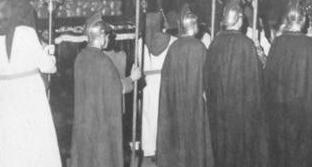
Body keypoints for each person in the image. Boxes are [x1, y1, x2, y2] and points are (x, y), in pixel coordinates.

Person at [0, 0, 61, 167]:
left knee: (12, 143)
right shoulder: (26, 32)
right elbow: (47, 66)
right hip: (28, 92)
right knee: (34, 142)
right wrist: (49, 54)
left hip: (6, 93)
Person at [264, 0, 312, 167]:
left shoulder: (277, 44)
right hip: (304, 110)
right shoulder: (309, 46)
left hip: (281, 110)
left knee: (284, 153)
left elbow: (269, 79)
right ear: (303, 21)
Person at [70, 16, 141, 167]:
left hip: (85, 119)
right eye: (107, 36)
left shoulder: (80, 57)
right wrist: (132, 78)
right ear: (101, 36)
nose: (108, 39)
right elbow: (116, 89)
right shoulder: (103, 62)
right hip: (99, 119)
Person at [204, 0, 267, 167]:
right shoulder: (247, 45)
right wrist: (260, 57)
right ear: (239, 20)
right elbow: (257, 80)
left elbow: (207, 79)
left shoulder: (214, 44)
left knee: (222, 148)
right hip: (241, 110)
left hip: (219, 108)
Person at [156, 10, 213, 167]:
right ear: (193, 26)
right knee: (196, 141)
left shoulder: (173, 49)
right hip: (196, 106)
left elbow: (166, 80)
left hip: (176, 105)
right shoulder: (200, 48)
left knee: (179, 140)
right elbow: (208, 80)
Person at [142, 12, 177, 159]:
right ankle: (164, 148)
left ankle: (150, 149)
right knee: (164, 115)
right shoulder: (173, 41)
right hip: (164, 81)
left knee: (149, 116)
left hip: (148, 84)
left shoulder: (141, 42)